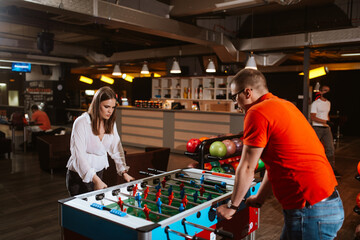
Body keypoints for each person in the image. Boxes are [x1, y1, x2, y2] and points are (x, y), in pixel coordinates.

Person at [217, 69, 344, 240]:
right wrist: (259, 198)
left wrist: (232, 206)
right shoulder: (285, 105)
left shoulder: (256, 112)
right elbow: (277, 163)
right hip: (328, 205)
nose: (236, 103)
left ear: (247, 92)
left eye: (234, 97)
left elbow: (247, 166)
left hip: (309, 210)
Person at [66, 86, 134, 196]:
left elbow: (116, 149)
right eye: (106, 107)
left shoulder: (111, 123)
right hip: (79, 175)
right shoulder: (81, 122)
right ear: (97, 105)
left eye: (113, 107)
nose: (110, 111)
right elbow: (78, 155)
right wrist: (96, 180)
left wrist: (124, 172)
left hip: (99, 173)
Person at [310, 85, 340, 177]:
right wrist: (326, 121)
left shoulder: (328, 103)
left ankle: (331, 169)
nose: (327, 92)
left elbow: (326, 115)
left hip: (326, 128)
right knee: (314, 149)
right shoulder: (315, 103)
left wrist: (328, 123)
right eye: (325, 91)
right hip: (317, 128)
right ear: (321, 92)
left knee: (330, 149)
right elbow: (313, 117)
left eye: (328, 91)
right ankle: (311, 168)